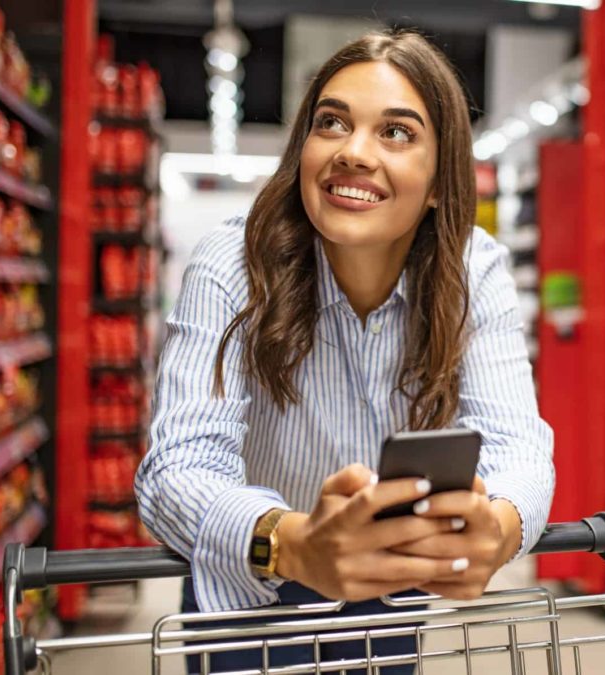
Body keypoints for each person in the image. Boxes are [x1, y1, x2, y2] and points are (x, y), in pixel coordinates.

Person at [134, 30, 554, 674]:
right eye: (332, 122)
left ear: (441, 181)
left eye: (396, 132)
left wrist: (494, 527)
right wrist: (297, 543)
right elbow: (177, 466)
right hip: (253, 579)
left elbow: (518, 444)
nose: (353, 152)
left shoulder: (473, 268)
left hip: (391, 583)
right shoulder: (232, 265)